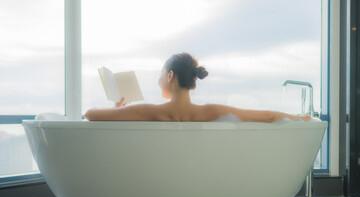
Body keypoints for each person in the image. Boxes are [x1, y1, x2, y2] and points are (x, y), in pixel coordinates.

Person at [84, 52, 312, 122]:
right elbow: (269, 115)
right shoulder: (209, 111)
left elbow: (90, 114)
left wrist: (118, 108)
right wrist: (300, 118)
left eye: (161, 75)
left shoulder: (152, 111)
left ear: (170, 76)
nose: (159, 80)